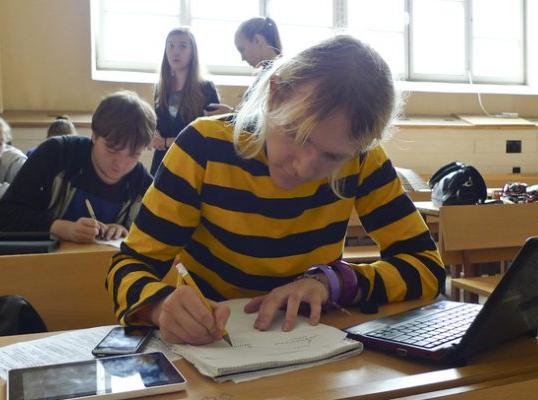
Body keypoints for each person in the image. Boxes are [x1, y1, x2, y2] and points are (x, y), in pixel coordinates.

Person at [106, 35, 446, 346]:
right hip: (212, 347)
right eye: (296, 135)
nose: (304, 167)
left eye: (332, 157)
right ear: (275, 95)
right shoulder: (202, 149)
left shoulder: (363, 159)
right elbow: (128, 266)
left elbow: (427, 267)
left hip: (313, 350)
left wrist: (332, 283)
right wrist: (159, 306)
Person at [0, 90, 155, 243]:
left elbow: (155, 237)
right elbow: (5, 214)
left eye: (134, 155)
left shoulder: (141, 183)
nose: (120, 163)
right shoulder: (56, 154)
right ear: (94, 135)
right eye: (112, 150)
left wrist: (125, 231)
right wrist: (58, 228)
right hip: (43, 260)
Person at [150, 27, 220, 175]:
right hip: (163, 163)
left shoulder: (207, 89)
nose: (175, 52)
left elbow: (210, 136)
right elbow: (158, 126)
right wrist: (152, 134)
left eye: (182, 46)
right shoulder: (160, 88)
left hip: (193, 165)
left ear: (192, 52)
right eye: (170, 45)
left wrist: (166, 142)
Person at [205, 16, 283, 116]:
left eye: (242, 49)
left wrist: (231, 113)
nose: (242, 58)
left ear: (257, 41)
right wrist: (231, 112)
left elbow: (269, 119)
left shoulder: (280, 75)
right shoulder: (265, 73)